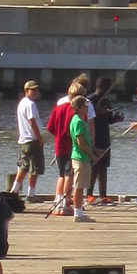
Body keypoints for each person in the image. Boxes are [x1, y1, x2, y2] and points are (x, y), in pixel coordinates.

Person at [46, 80, 84, 216]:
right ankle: (66, 203)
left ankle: (58, 202)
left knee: (61, 175)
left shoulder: (58, 108)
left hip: (58, 145)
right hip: (71, 146)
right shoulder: (75, 111)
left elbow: (50, 127)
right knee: (70, 175)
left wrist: (58, 135)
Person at [87, 76, 125, 203]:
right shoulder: (90, 100)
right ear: (101, 86)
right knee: (94, 166)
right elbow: (87, 117)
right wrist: (99, 114)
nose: (109, 90)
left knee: (103, 166)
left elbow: (109, 120)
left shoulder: (107, 101)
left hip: (105, 136)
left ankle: (103, 195)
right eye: (108, 87)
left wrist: (116, 118)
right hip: (94, 136)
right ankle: (89, 194)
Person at [10, 80, 44, 201]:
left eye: (36, 89)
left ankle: (13, 191)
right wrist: (39, 138)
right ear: (26, 91)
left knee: (24, 167)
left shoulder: (22, 103)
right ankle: (31, 194)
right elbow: (32, 122)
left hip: (23, 140)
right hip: (32, 140)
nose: (35, 92)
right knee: (33, 168)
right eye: (32, 90)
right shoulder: (30, 104)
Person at [69, 95, 102, 223]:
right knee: (79, 186)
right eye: (85, 106)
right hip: (80, 158)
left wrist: (95, 150)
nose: (87, 108)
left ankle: (79, 212)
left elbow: (85, 142)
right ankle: (78, 214)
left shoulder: (79, 120)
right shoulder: (77, 121)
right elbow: (80, 142)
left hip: (83, 157)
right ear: (78, 108)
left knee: (81, 185)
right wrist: (93, 156)